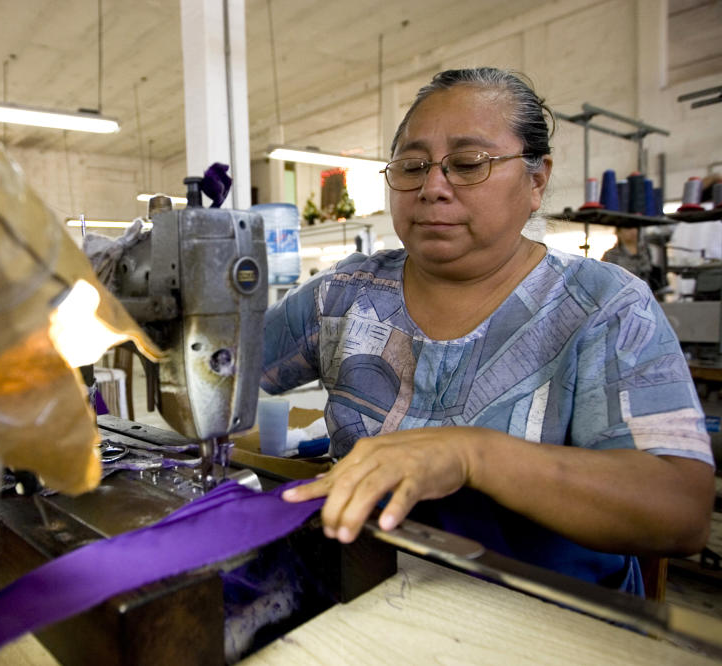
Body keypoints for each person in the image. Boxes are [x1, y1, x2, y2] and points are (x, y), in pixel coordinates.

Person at [262, 67, 715, 595]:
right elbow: (227, 363)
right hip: (366, 587)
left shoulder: (605, 307)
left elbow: (680, 511)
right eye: (412, 166)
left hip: (547, 620)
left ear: (536, 180)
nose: (433, 187)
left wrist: (470, 455)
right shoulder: (345, 292)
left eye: (468, 164)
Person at [601, 226, 664, 292]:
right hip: (623, 295)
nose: (632, 231)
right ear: (619, 232)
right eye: (627, 228)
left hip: (645, 293)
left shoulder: (646, 251)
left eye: (635, 228)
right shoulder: (611, 254)